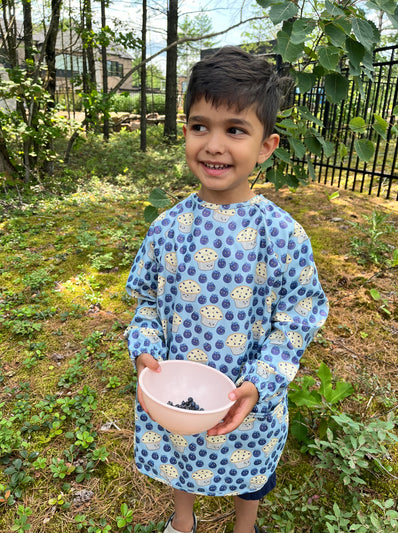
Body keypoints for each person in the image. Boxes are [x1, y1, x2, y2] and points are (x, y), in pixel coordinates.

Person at [126, 46, 329, 533]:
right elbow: (147, 304)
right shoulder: (168, 227)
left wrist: (263, 379)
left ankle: (244, 526)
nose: (214, 145)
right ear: (187, 131)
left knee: (250, 467)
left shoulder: (282, 234)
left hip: (247, 389)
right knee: (183, 442)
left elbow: (300, 314)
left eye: (235, 130)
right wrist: (146, 352)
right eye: (201, 126)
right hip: (178, 390)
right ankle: (183, 519)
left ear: (266, 146)